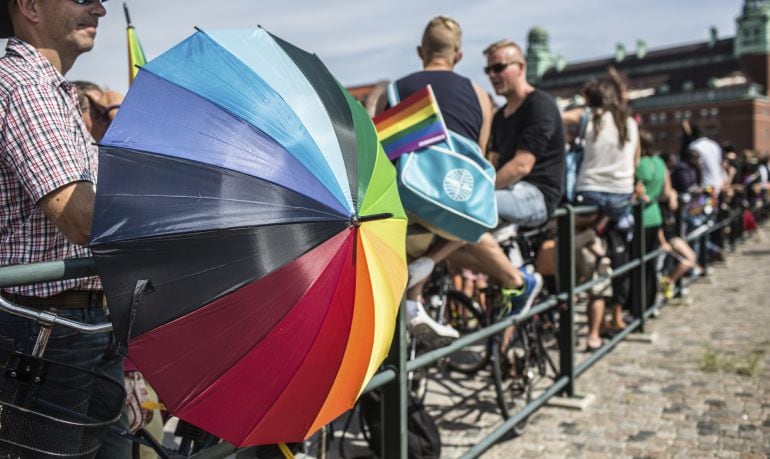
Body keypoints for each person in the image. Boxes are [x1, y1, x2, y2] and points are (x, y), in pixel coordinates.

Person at [0, 1, 130, 457]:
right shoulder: (24, 86)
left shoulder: (50, 90)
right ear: (30, 6)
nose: (100, 8)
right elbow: (81, 219)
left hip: (73, 323)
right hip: (49, 328)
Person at [378, 18, 542, 347]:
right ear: (459, 56)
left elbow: (381, 152)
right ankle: (501, 279)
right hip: (455, 200)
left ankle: (412, 303)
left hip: (409, 196)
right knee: (467, 219)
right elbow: (479, 157)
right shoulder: (480, 95)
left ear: (420, 51)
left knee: (414, 225)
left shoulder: (394, 90)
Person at [563, 71, 639, 345]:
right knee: (612, 253)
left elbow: (556, 116)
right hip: (621, 198)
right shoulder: (629, 122)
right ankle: (597, 235)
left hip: (590, 196)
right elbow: (637, 160)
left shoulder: (589, 117)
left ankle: (591, 238)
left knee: (563, 232)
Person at [483, 39, 565, 227]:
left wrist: (481, 191)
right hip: (508, 190)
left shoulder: (540, 104)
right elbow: (493, 162)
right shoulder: (499, 117)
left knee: (471, 208)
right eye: (488, 70)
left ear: (521, 67)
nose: (492, 75)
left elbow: (522, 166)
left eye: (498, 68)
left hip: (537, 195)